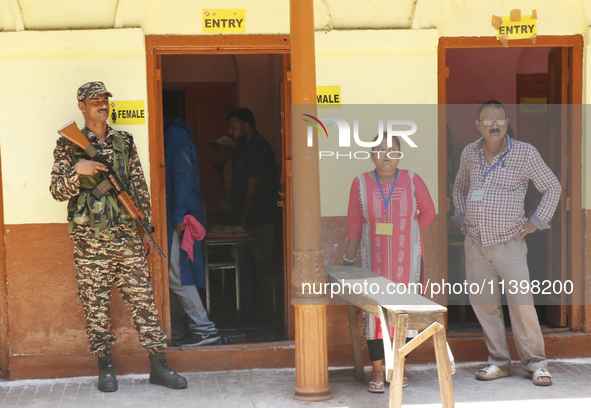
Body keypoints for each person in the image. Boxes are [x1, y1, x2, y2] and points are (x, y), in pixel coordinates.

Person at [49, 81, 187, 392]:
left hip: (126, 236)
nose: (102, 104)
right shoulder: (67, 145)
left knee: (144, 301)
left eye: (104, 99)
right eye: (93, 100)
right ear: (81, 107)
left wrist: (145, 230)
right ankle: (105, 367)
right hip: (89, 241)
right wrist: (78, 171)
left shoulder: (124, 141)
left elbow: (138, 186)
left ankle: (159, 365)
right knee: (94, 305)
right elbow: (57, 191)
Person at [453, 100, 561, 386]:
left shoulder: (525, 153)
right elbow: (460, 186)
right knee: (485, 305)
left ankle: (536, 364)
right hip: (475, 242)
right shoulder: (468, 154)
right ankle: (498, 362)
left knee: (522, 304)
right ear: (478, 125)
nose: (494, 125)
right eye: (487, 121)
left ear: (506, 122)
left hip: (510, 242)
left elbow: (552, 187)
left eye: (499, 120)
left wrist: (534, 222)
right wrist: (462, 216)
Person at [342, 134, 435, 393]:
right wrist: (349, 259)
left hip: (408, 263)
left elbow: (428, 212)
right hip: (375, 263)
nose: (386, 154)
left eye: (392, 149)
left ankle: (399, 368)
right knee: (375, 316)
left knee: (403, 314)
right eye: (379, 150)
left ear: (399, 154)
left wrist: (410, 230)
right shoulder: (360, 183)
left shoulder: (413, 180)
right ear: (371, 154)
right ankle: (377, 370)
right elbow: (354, 223)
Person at [164, 115, 220, 347]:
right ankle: (178, 330)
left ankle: (204, 329)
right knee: (173, 274)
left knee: (178, 274)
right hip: (181, 212)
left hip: (181, 217)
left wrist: (178, 215)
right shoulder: (177, 133)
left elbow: (182, 177)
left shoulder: (175, 134)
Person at [226, 108, 279, 314]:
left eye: (233, 127)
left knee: (262, 266)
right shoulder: (244, 148)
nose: (230, 132)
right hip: (249, 219)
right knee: (247, 267)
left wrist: (244, 217)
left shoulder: (258, 148)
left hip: (260, 218)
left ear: (246, 126)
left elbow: (253, 187)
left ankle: (266, 315)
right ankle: (251, 312)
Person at [210, 135, 238, 221]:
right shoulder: (226, 168)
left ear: (228, 150)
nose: (215, 154)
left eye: (218, 150)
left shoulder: (233, 166)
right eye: (214, 151)